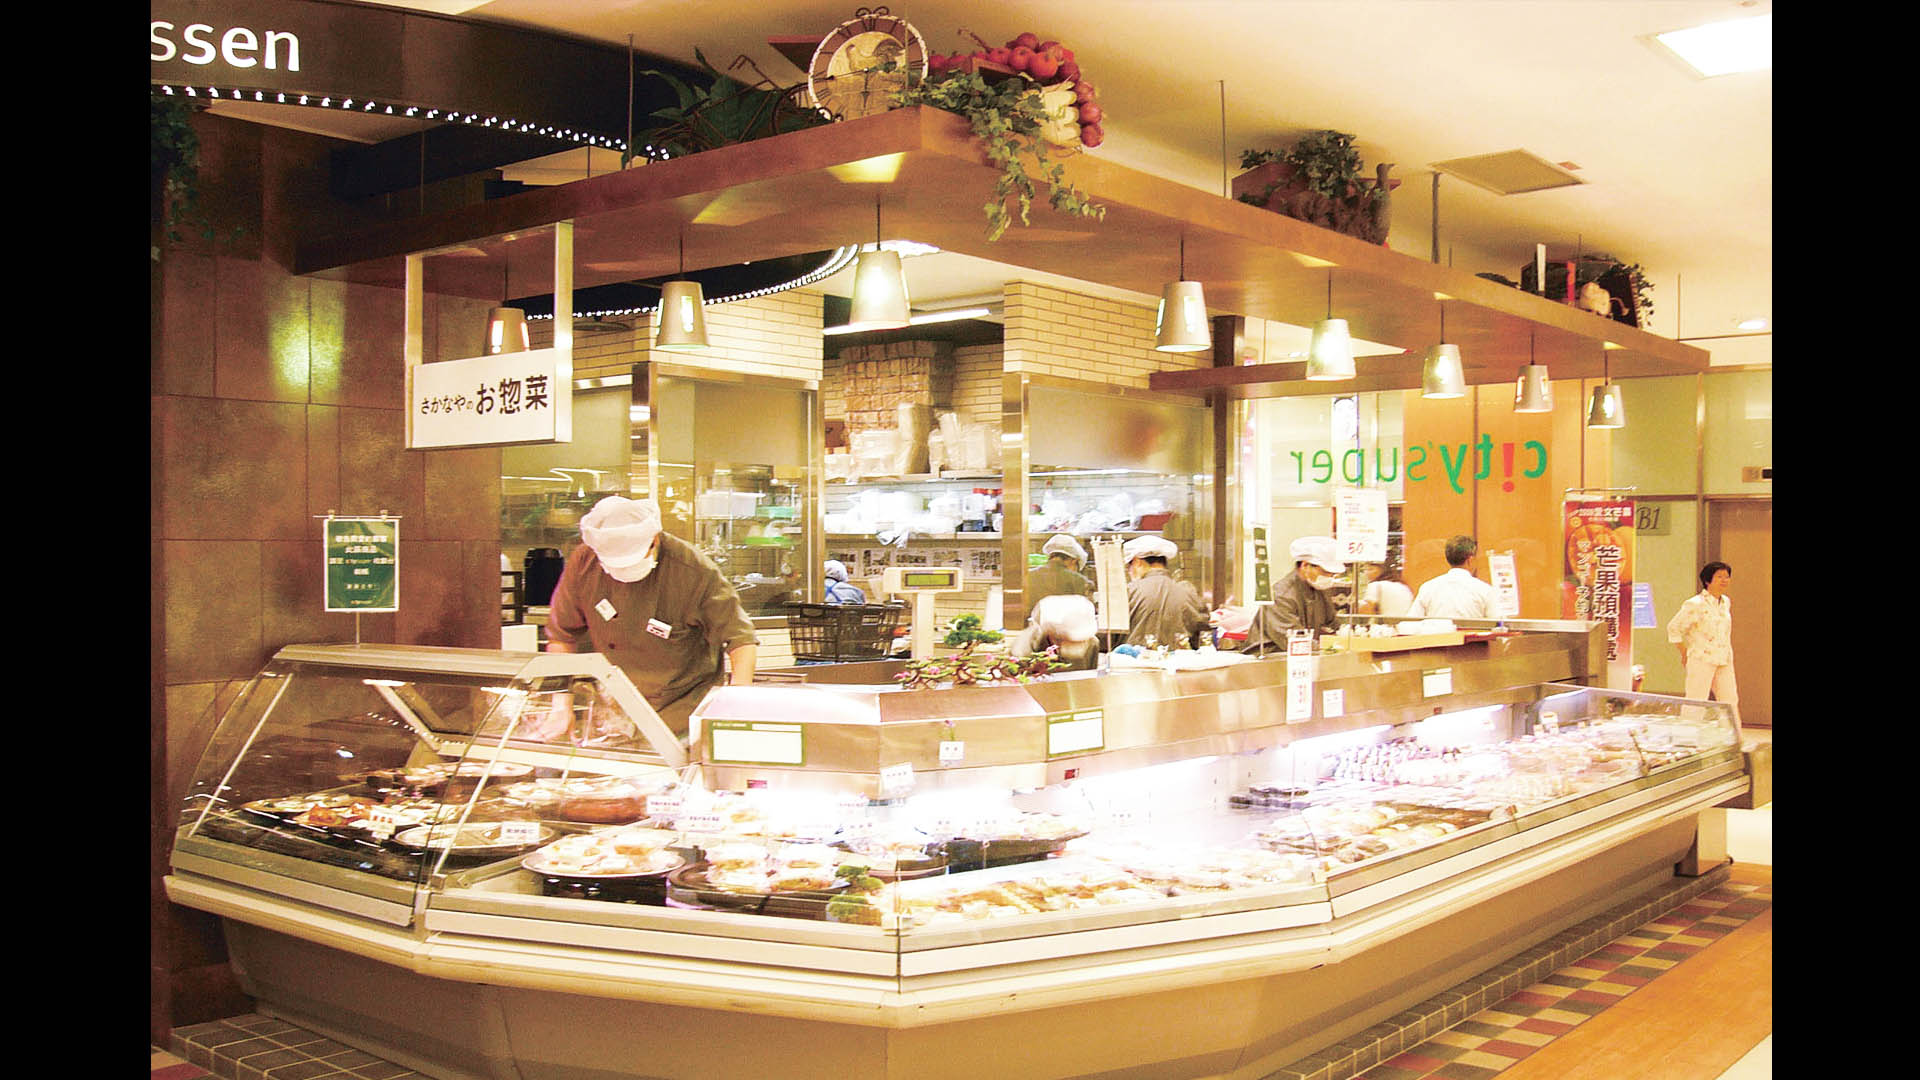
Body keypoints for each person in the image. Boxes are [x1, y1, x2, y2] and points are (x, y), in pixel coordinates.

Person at [542, 496, 758, 738]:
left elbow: (741, 641)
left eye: (631, 562)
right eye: (614, 567)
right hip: (614, 711)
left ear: (654, 540)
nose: (623, 574)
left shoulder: (693, 571)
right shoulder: (584, 562)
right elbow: (562, 636)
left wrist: (736, 705)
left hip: (681, 715)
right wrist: (560, 706)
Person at [1232, 536, 1345, 653]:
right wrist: (1330, 645)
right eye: (1326, 572)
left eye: (1333, 574)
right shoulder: (1281, 595)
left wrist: (1344, 636)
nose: (1330, 577)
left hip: (1302, 655)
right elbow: (1295, 642)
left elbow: (1333, 625)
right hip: (1271, 656)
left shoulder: (1320, 590)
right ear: (1305, 565)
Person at [1667, 561, 1737, 713]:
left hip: (1724, 658)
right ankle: (1690, 729)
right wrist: (1684, 652)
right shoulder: (1695, 604)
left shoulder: (1725, 602)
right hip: (1701, 658)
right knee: (1696, 700)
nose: (1724, 580)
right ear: (1707, 580)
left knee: (1730, 700)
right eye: (1719, 577)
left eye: (1727, 576)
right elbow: (1674, 627)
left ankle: (1731, 729)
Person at [1122, 535, 1209, 649]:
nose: (1129, 571)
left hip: (1135, 659)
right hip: (1178, 659)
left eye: (1129, 566)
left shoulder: (1129, 591)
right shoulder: (1188, 592)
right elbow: (1202, 633)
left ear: (1137, 562)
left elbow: (1110, 634)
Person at [1406, 535, 1497, 619]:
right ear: (1470, 560)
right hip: (1471, 632)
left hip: (1436, 632)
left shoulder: (1428, 588)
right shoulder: (1484, 590)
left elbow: (1409, 623)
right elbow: (1497, 623)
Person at [1008, 594, 1101, 671]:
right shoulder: (1022, 650)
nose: (1078, 645)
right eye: (1066, 639)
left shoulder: (1092, 644)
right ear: (1052, 634)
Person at [1026, 533, 1094, 606]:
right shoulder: (1081, 582)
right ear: (1074, 561)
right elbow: (1088, 610)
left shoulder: (1027, 577)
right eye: (1077, 569)